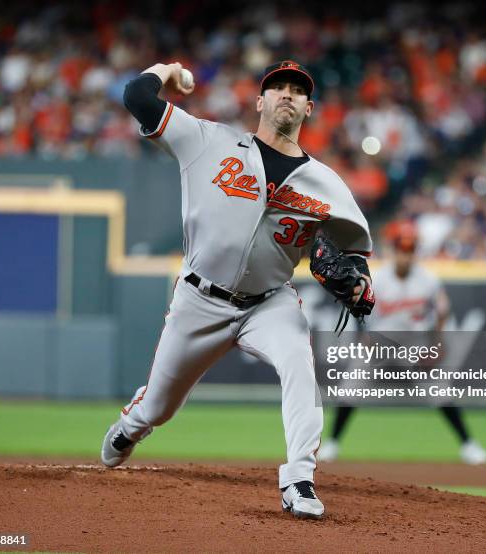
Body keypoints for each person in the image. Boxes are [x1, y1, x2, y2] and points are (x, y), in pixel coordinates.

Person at [100, 60, 374, 520]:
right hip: (198, 299)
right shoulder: (207, 141)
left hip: (270, 302)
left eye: (297, 90)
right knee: (159, 409)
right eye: (277, 87)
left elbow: (356, 251)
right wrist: (167, 70)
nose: (287, 94)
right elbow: (136, 97)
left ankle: (299, 479)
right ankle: (131, 425)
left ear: (309, 107)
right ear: (260, 101)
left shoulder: (327, 184)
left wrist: (362, 280)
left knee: (300, 367)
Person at [318, 223, 486, 465]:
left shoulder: (428, 280)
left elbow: (442, 311)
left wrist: (436, 343)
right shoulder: (376, 278)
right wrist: (365, 338)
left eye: (410, 250)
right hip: (378, 344)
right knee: (350, 387)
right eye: (401, 249)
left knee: (441, 392)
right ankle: (333, 443)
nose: (405, 254)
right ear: (393, 250)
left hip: (414, 346)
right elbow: (357, 311)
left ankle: (469, 445)